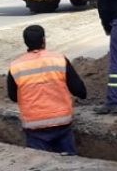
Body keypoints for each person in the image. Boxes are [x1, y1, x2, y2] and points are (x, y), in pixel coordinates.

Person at [7, 25, 87, 155]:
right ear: (43, 40)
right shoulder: (59, 59)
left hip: (34, 125)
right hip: (61, 121)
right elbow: (79, 90)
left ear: (25, 42)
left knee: (41, 167)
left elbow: (13, 96)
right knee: (70, 165)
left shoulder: (16, 66)